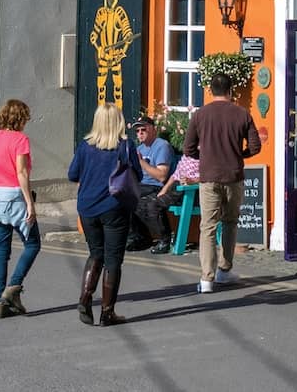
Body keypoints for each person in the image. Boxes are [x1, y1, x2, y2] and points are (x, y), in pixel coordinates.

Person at [182, 72, 263, 294]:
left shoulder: (200, 115)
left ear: (210, 90)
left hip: (208, 177)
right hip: (233, 175)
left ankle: (206, 278)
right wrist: (239, 154)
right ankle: (224, 271)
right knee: (229, 222)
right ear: (230, 91)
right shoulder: (242, 114)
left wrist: (206, 157)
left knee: (207, 226)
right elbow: (256, 147)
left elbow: (188, 148)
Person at [68, 103, 140, 326]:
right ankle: (107, 312)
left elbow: (72, 174)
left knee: (95, 253)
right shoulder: (125, 147)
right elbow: (136, 174)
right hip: (114, 206)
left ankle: (85, 298)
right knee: (113, 260)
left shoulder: (85, 147)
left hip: (87, 207)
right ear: (118, 122)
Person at [0, 98, 40, 319]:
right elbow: (22, 173)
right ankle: (13, 287)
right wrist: (30, 204)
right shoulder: (20, 140)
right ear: (21, 118)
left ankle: (1, 301)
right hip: (14, 195)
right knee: (33, 244)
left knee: (1, 250)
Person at [126, 114, 178, 252]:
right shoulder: (140, 149)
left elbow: (161, 176)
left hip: (158, 187)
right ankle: (139, 237)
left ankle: (164, 239)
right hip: (141, 185)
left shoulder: (161, 146)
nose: (140, 133)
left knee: (147, 202)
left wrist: (142, 162)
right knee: (121, 198)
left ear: (153, 129)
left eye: (143, 130)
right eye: (137, 131)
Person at [138, 151, 201, 254]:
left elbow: (210, 176)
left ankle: (165, 241)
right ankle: (161, 238)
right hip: (178, 188)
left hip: (192, 192)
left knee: (154, 204)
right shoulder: (187, 155)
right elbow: (175, 175)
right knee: (147, 203)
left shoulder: (207, 155)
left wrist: (193, 181)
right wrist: (164, 189)